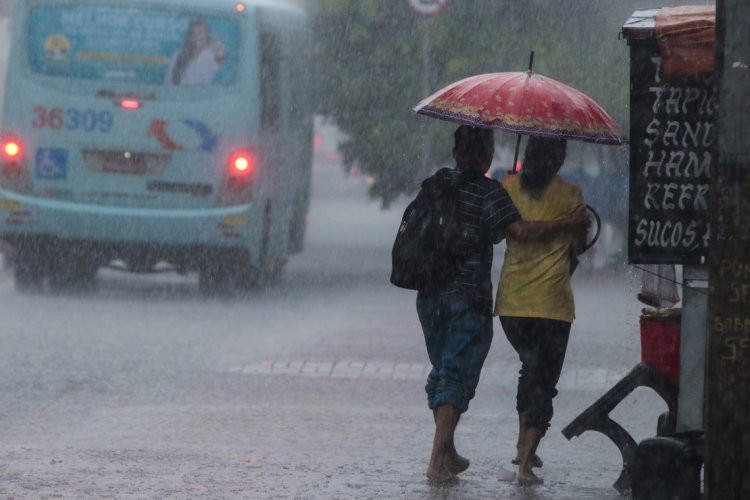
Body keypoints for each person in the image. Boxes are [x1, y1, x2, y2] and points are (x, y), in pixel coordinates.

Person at [417, 126, 589, 482]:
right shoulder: (503, 192)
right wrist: (569, 224)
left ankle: (449, 452)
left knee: (448, 371)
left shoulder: (450, 185)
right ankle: (451, 460)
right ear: (489, 153)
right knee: (473, 376)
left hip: (449, 297)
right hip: (495, 298)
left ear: (454, 153)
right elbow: (530, 235)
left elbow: (495, 232)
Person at [494, 136, 589, 486]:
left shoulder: (508, 186)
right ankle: (524, 466)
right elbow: (578, 247)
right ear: (560, 159)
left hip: (514, 305)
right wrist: (572, 226)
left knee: (530, 368)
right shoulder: (572, 196)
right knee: (542, 380)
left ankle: (524, 449)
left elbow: (508, 230)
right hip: (551, 305)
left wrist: (510, 188)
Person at [165, 19, 226, 86]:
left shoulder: (213, 57)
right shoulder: (177, 55)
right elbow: (168, 82)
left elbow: (221, 68)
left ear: (207, 36)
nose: (196, 37)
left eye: (200, 33)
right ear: (189, 37)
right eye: (193, 33)